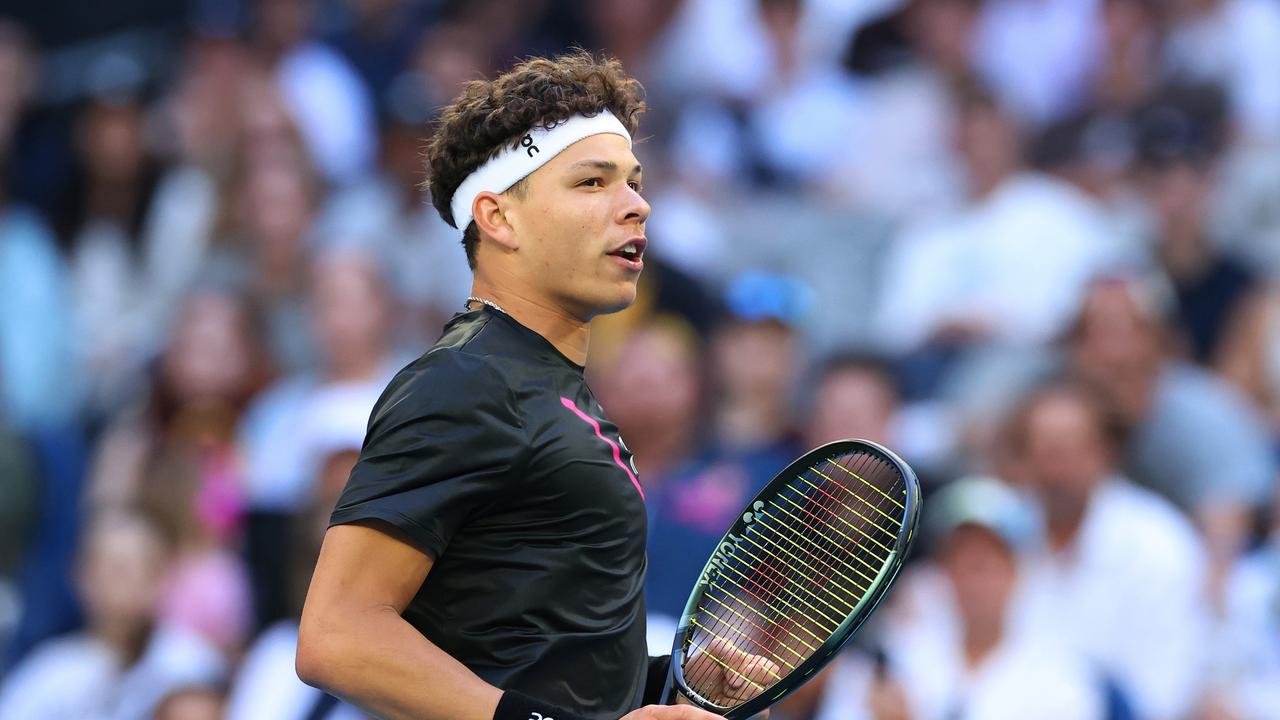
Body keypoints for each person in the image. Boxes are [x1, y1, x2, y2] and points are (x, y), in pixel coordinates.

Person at [296, 51, 773, 720]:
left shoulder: (559, 394)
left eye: (634, 181)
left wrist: (674, 684)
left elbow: (537, 663)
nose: (636, 205)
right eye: (591, 183)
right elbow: (335, 637)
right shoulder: (463, 381)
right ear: (498, 218)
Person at [1004, 382, 1211, 719]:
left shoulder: (1159, 543)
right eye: (1043, 451)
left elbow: (1166, 692)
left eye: (1071, 449)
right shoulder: (996, 535)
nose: (1056, 468)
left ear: (1106, 452)